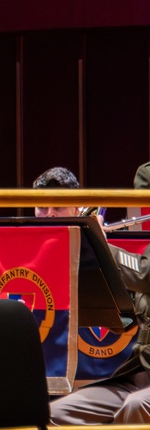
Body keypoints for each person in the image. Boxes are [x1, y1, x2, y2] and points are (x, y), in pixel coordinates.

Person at [47, 163, 150, 424]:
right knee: (54, 414)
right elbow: (124, 323)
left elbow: (144, 275)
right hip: (139, 376)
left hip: (139, 395)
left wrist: (101, 246)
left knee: (134, 408)